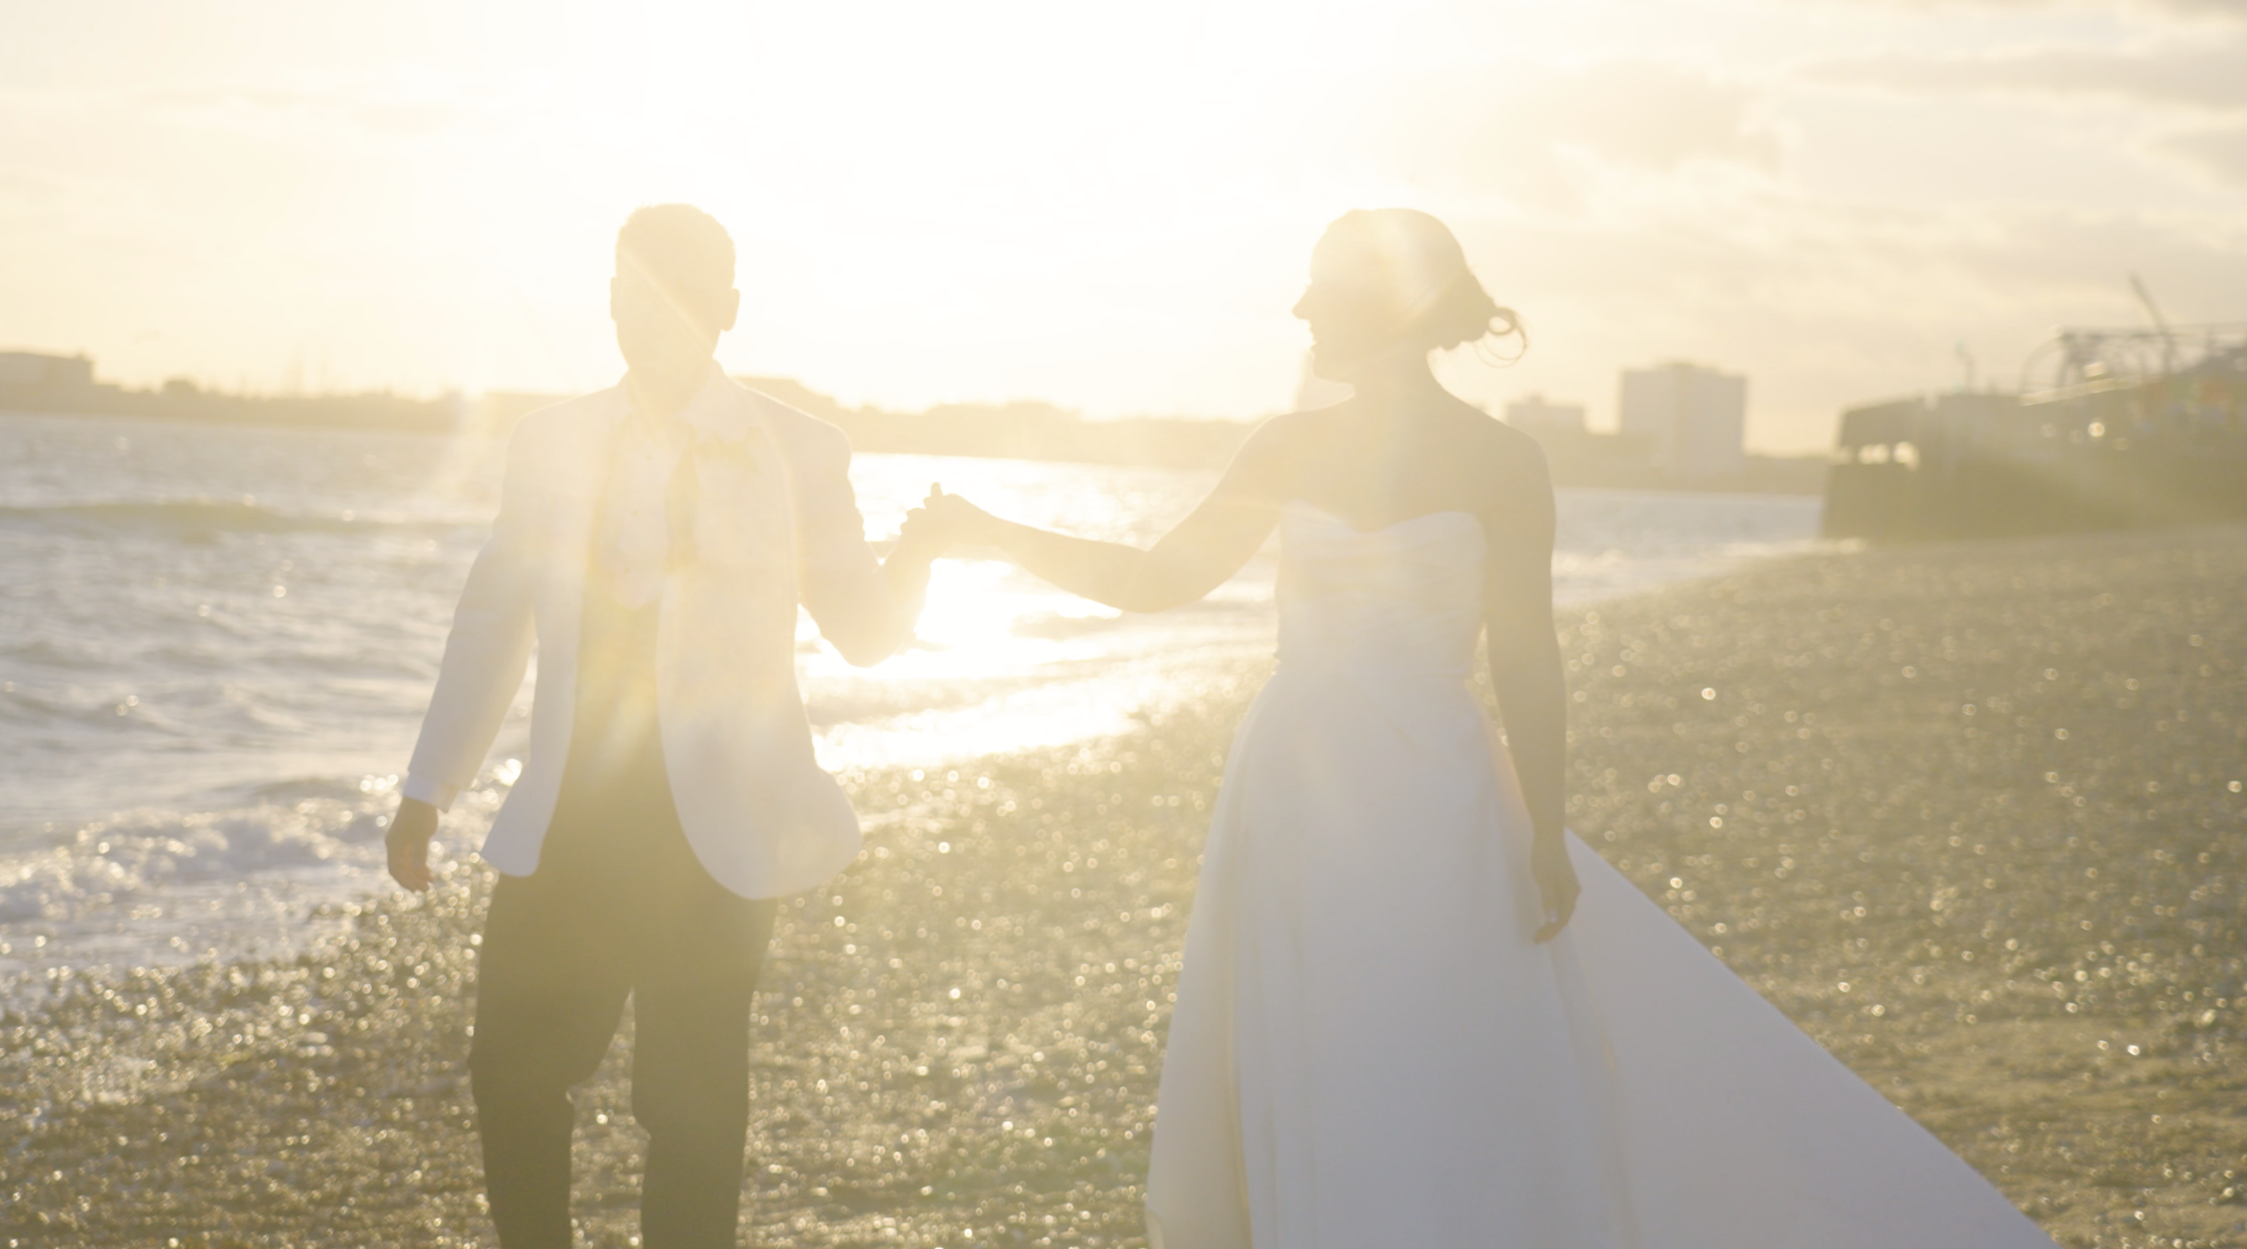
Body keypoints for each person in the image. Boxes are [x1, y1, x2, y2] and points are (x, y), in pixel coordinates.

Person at [908, 210, 2055, 1247]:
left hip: (1395, 785)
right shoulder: (1374, 449)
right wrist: (996, 534)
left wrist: (1546, 831)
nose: (1299, 310)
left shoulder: (1439, 455)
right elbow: (1174, 580)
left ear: (1382, 309)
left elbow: (1521, 653)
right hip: (1340, 785)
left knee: (1394, 1034)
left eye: (1320, 288)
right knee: (1348, 1033)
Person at [383, 204, 940, 1249]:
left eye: (675, 296)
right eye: (630, 291)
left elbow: (863, 631)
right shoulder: (549, 442)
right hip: (572, 815)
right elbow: (493, 615)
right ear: (607, 299)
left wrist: (922, 555)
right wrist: (430, 786)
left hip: (717, 833)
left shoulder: (798, 449)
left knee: (690, 1107)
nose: (648, 315)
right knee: (510, 1069)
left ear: (726, 311)